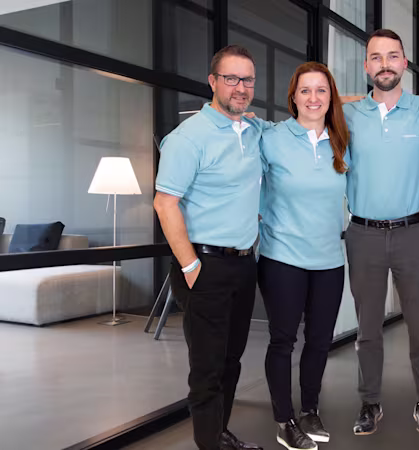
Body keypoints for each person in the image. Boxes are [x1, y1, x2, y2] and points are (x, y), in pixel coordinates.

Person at [153, 45, 266, 450]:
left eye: (247, 79)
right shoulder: (188, 137)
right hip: (204, 265)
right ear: (213, 82)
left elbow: (307, 116)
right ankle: (209, 443)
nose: (240, 87)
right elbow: (165, 204)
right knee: (207, 368)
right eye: (231, 78)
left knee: (231, 360)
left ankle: (220, 434)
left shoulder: (253, 130)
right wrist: (189, 267)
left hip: (243, 264)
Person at [342, 29, 419, 437]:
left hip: (412, 234)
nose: (384, 64)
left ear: (404, 63)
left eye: (392, 56)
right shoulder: (348, 116)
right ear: (366, 66)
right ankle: (369, 402)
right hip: (363, 235)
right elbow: (308, 111)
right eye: (376, 57)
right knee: (368, 328)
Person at [257, 62, 350, 450]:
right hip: (282, 258)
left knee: (319, 341)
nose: (314, 98)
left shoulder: (342, 142)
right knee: (283, 341)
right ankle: (285, 420)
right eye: (305, 90)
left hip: (329, 260)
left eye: (321, 90)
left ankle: (310, 409)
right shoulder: (271, 138)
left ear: (331, 98)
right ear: (293, 97)